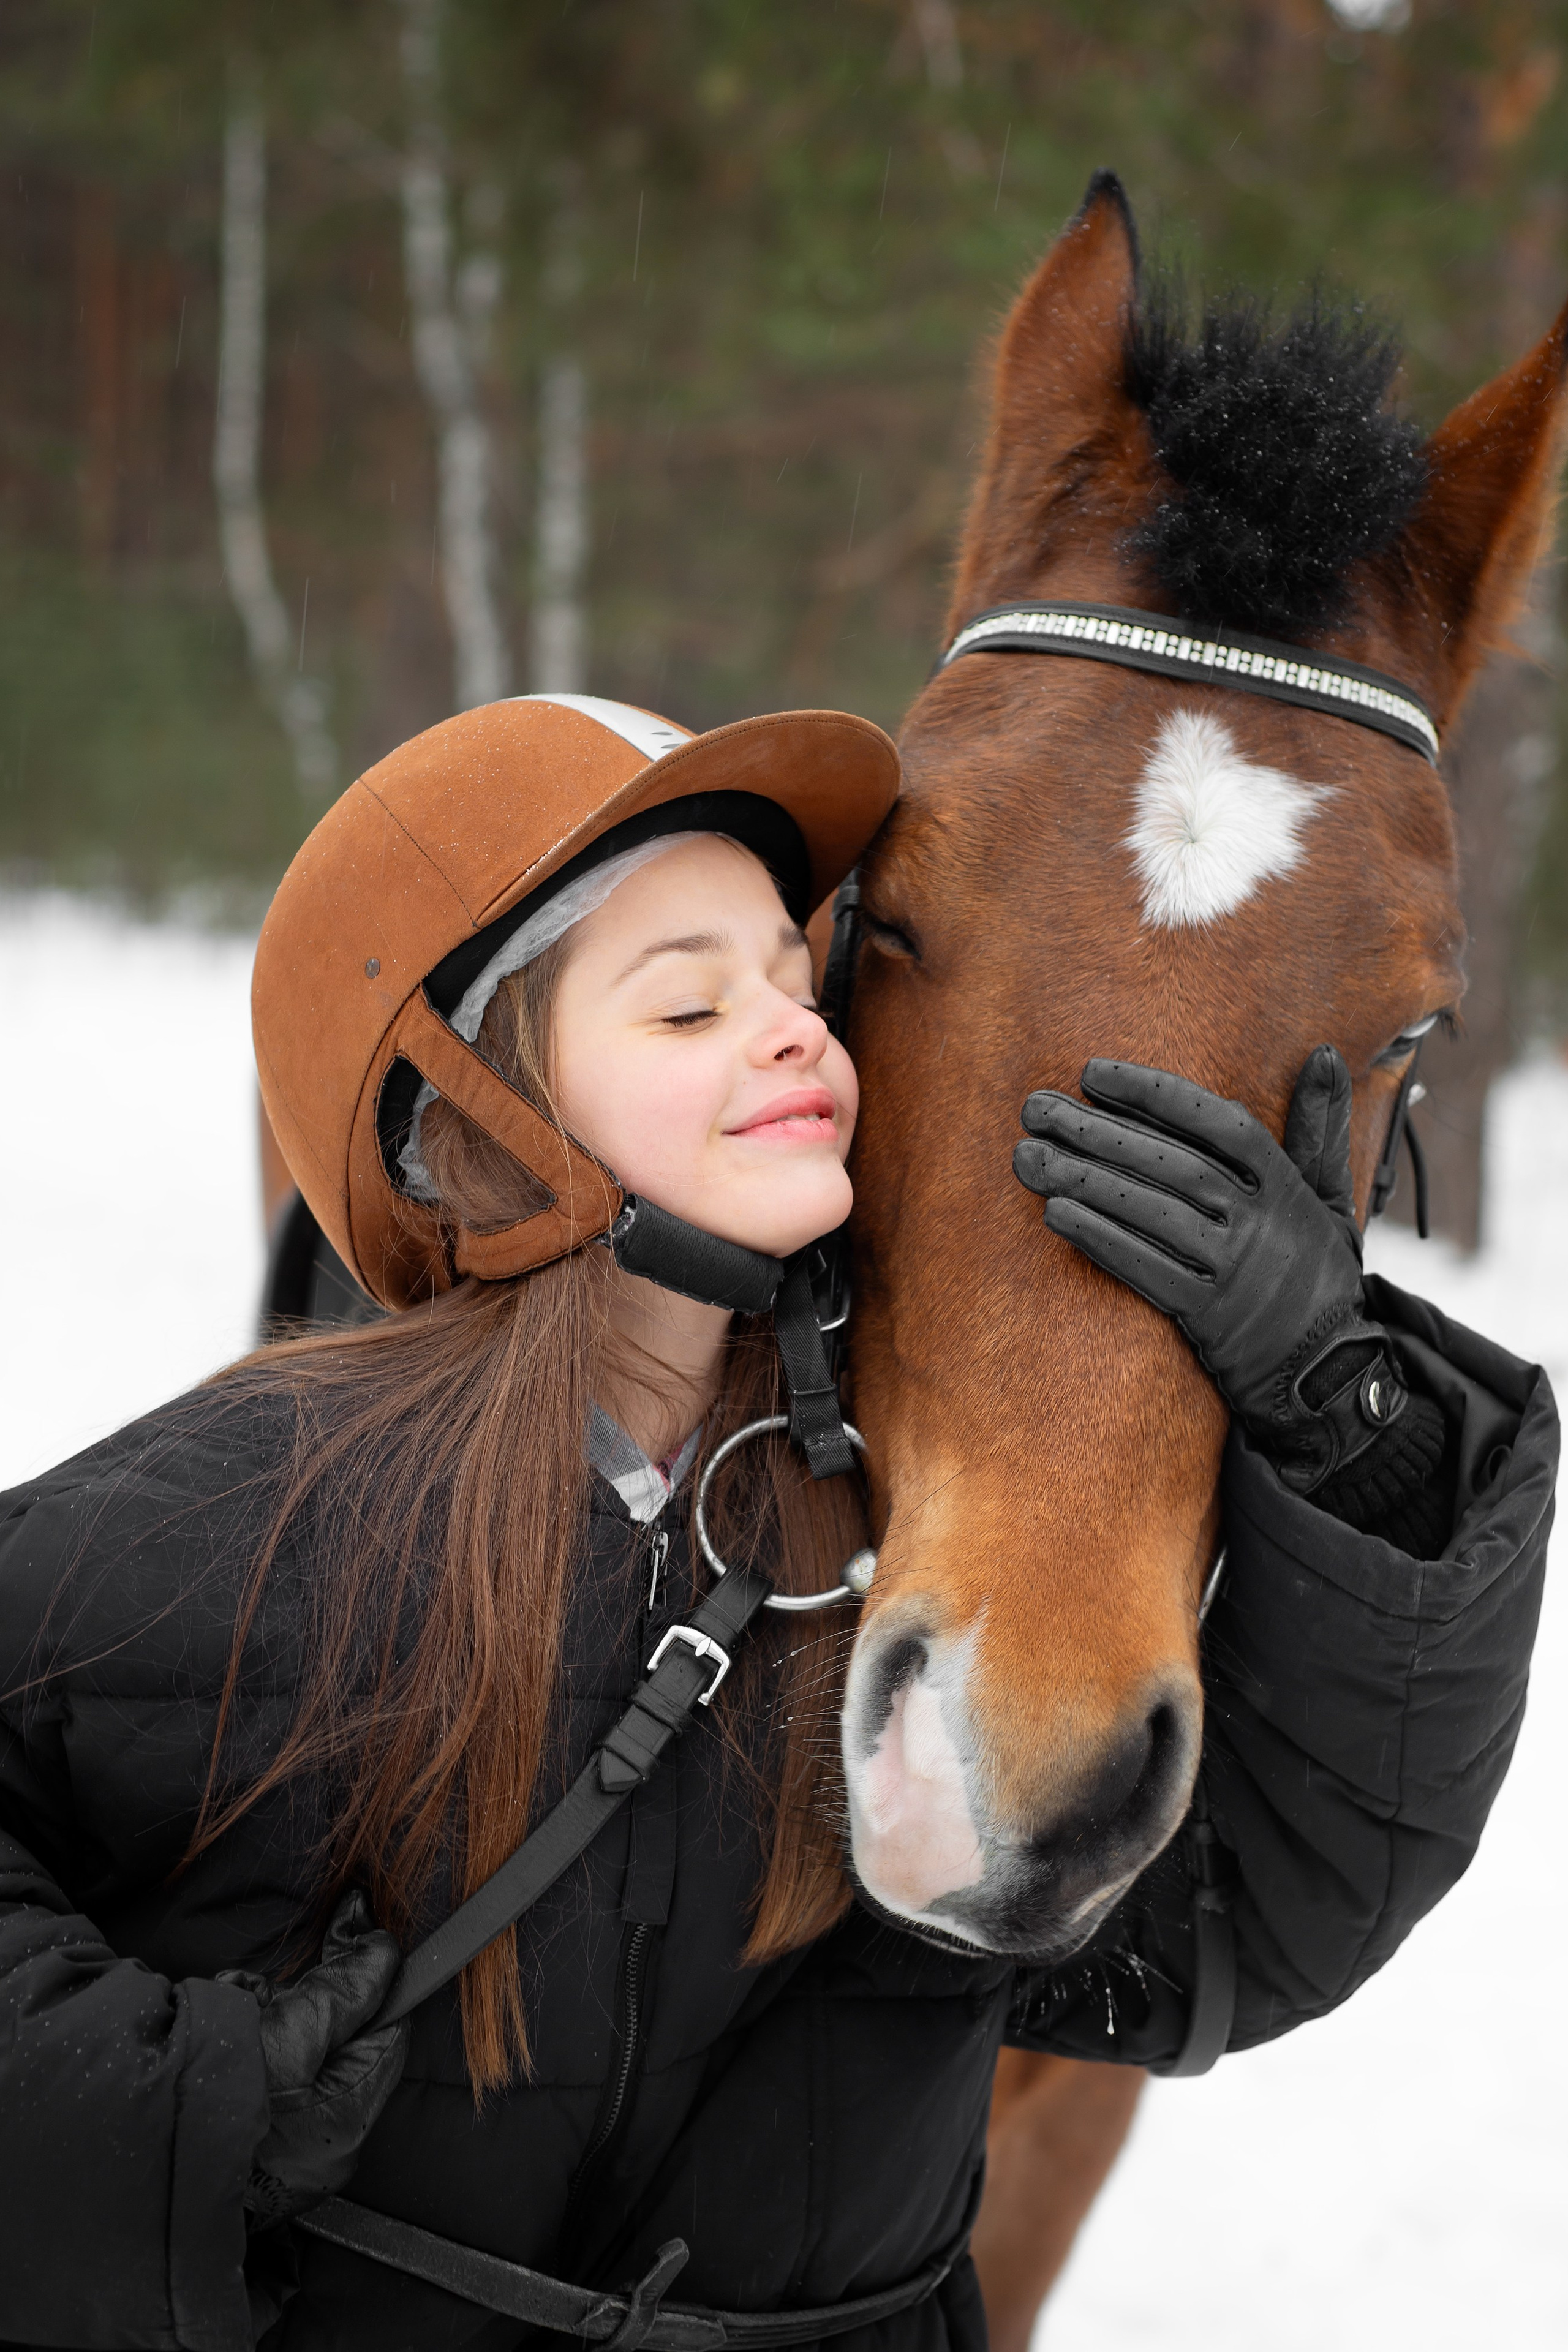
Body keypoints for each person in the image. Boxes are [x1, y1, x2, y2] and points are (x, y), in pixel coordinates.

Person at [0, 694, 1552, 2352]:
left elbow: (1249, 1921)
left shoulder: (905, 1549)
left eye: (801, 977)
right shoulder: (248, 1517)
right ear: (470, 1131)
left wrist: (1343, 1413)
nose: (798, 1030)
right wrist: (164, 2114)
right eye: (688, 1005)